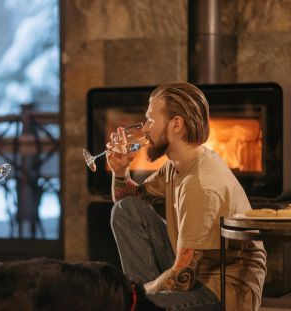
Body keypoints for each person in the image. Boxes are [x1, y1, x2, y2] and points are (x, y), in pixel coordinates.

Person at [108, 82, 267, 311]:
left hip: (224, 291)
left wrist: (137, 295)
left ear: (176, 125)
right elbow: (129, 200)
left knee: (132, 305)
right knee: (125, 210)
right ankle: (143, 304)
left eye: (151, 120)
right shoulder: (177, 165)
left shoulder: (200, 184)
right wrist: (120, 171)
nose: (144, 129)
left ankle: (141, 304)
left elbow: (183, 276)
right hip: (194, 274)